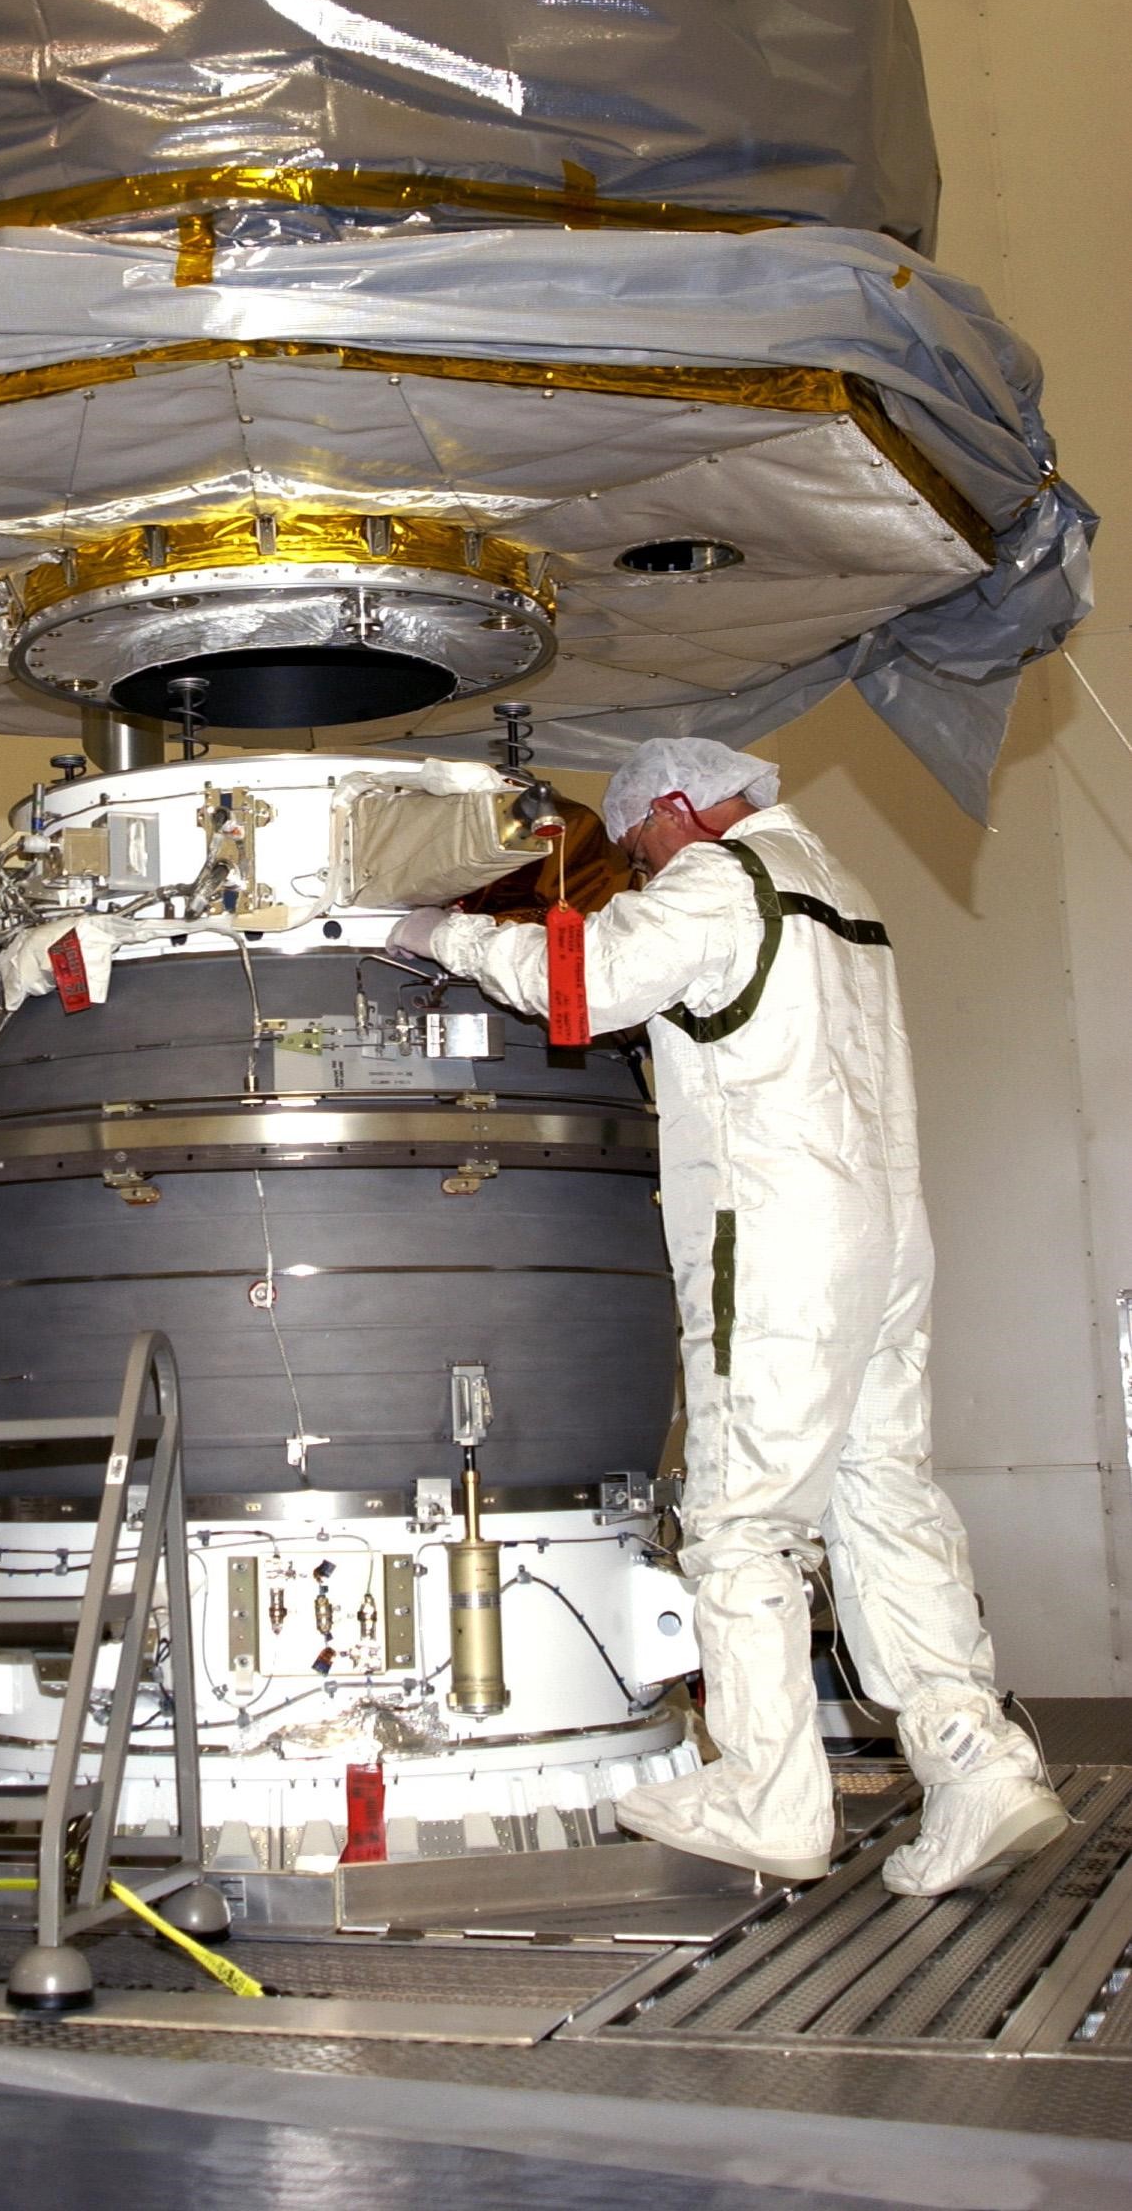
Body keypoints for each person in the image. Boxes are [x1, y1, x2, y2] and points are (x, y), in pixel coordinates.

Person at [390, 736, 1067, 1898]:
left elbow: (586, 984)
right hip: (884, 1235)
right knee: (881, 1495)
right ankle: (974, 1762)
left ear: (671, 807)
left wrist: (432, 936)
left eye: (636, 844)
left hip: (777, 1240)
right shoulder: (837, 888)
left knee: (741, 1520)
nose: (639, 869)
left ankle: (767, 1793)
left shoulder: (722, 879)